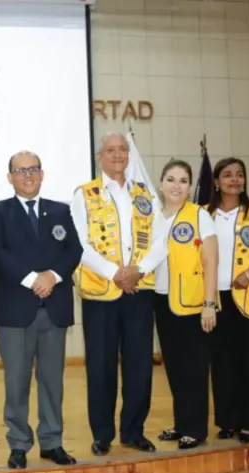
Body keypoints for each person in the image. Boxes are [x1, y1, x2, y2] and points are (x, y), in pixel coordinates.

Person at [0, 151, 83, 469]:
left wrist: (51, 277)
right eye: (20, 170)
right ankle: (19, 443)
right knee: (16, 381)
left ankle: (52, 442)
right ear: (10, 176)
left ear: (42, 174)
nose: (28, 175)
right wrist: (31, 280)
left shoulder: (60, 210)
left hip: (54, 308)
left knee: (52, 379)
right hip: (15, 310)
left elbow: (74, 249)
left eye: (33, 169)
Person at [70, 131, 166, 456]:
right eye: (110, 150)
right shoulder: (84, 194)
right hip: (101, 293)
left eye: (122, 150)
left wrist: (137, 271)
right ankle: (102, 434)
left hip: (139, 290)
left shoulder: (145, 194)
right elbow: (78, 244)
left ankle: (133, 431)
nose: (117, 155)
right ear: (100, 157)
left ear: (129, 155)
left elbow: (159, 241)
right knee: (100, 366)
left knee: (139, 364)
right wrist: (115, 273)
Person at [149, 160, 218, 449]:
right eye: (171, 179)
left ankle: (196, 428)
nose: (177, 185)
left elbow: (211, 260)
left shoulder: (200, 215)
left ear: (190, 186)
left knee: (194, 368)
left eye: (183, 180)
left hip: (193, 304)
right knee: (175, 366)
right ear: (161, 183)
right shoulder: (152, 216)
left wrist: (209, 303)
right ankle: (181, 423)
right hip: (162, 301)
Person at [207, 157, 249, 443]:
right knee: (223, 363)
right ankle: (228, 420)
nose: (234, 180)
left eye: (239, 175)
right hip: (216, 298)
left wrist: (248, 273)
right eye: (227, 175)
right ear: (216, 182)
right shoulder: (204, 214)